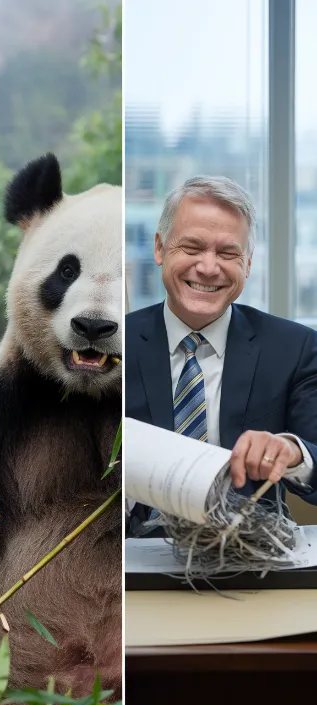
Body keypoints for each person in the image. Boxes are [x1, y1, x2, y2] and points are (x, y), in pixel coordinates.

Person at [125, 176, 317, 535]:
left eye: (227, 253)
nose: (209, 267)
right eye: (192, 247)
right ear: (160, 248)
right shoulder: (116, 347)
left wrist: (292, 452)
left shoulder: (295, 349)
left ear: (247, 263)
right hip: (127, 562)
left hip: (251, 561)